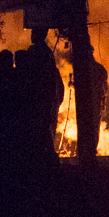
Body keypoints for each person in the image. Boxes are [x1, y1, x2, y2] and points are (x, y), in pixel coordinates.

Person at [26, 28, 65, 167]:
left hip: (40, 98)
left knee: (41, 129)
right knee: (46, 128)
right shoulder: (46, 52)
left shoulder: (36, 52)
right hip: (46, 99)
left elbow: (35, 77)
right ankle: (48, 158)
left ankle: (47, 159)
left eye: (33, 33)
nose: (31, 36)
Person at [73, 44, 108, 163]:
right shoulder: (99, 68)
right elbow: (104, 89)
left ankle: (86, 152)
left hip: (88, 104)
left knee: (86, 126)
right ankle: (91, 151)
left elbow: (102, 88)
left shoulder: (82, 69)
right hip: (95, 103)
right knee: (93, 127)